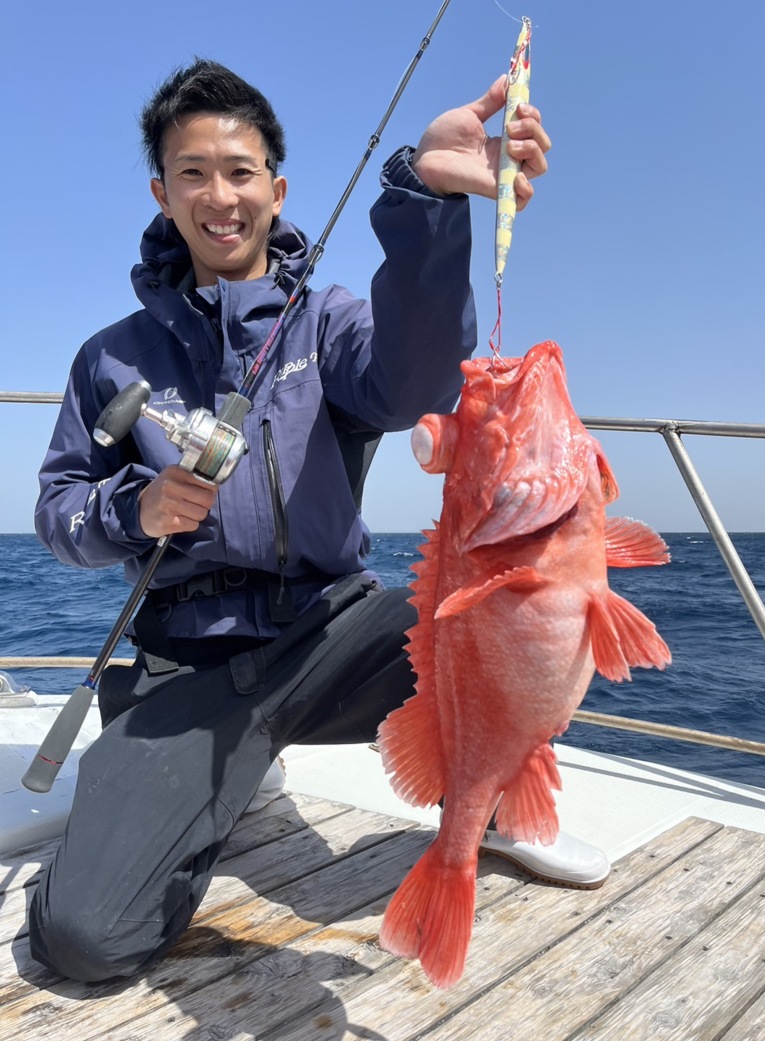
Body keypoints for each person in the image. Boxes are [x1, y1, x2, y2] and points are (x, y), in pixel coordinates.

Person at [30, 59, 607, 984]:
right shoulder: (109, 359)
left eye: (241, 170)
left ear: (277, 186)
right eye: (193, 172)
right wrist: (129, 509)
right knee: (87, 938)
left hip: (333, 635)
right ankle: (204, 797)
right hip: (188, 668)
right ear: (162, 192)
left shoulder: (327, 324)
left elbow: (416, 380)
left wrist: (423, 199)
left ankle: (499, 804)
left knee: (506, 621)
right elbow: (57, 512)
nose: (221, 196)